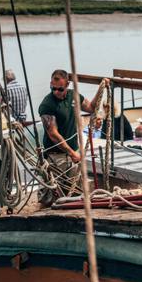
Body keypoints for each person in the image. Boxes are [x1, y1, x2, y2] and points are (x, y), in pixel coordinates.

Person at [36, 69, 90, 204]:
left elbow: (91, 108)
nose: (55, 92)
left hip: (73, 153)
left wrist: (102, 89)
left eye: (60, 89)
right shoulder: (47, 104)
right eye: (52, 88)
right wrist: (72, 153)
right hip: (56, 156)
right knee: (52, 196)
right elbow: (53, 134)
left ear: (67, 85)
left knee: (76, 192)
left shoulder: (74, 96)